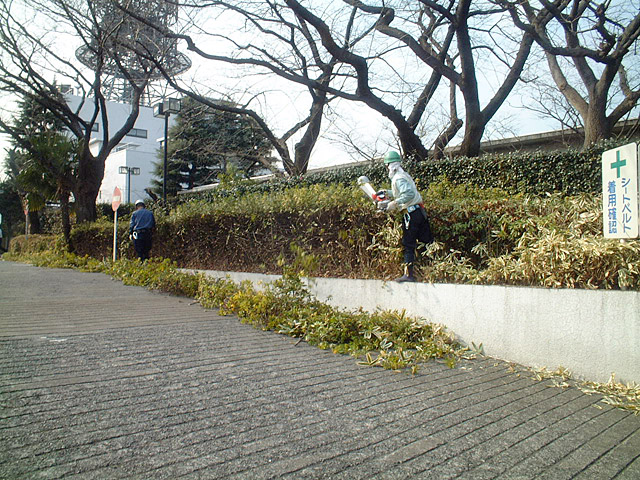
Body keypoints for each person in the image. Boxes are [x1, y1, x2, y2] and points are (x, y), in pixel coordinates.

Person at [379, 151, 434, 282]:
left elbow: (407, 194)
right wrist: (388, 193)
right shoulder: (403, 176)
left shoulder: (398, 178)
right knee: (426, 242)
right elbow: (403, 191)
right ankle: (433, 271)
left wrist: (394, 203)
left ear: (389, 165)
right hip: (419, 211)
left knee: (408, 243)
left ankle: (408, 275)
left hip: (411, 213)